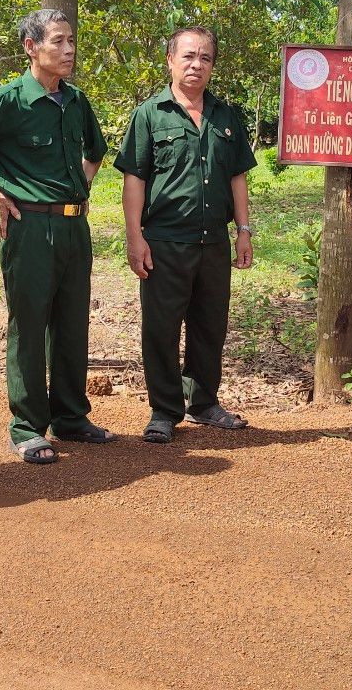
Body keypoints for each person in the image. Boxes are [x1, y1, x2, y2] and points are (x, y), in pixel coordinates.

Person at [0, 9, 111, 464]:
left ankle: (71, 417)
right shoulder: (5, 102)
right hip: (30, 227)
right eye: (58, 41)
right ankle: (27, 426)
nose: (68, 50)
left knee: (71, 323)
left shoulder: (77, 102)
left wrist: (77, 190)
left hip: (73, 226)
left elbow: (95, 151)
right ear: (30, 47)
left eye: (71, 42)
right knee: (28, 325)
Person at [113, 26, 257, 443]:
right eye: (189, 56)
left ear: (212, 65)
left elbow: (237, 177)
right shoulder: (149, 114)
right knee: (161, 327)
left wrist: (243, 231)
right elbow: (135, 179)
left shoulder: (226, 116)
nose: (197, 64)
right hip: (165, 241)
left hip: (213, 240)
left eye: (205, 58)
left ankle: (204, 403)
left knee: (210, 324)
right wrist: (134, 236)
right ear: (170, 61)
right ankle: (164, 410)